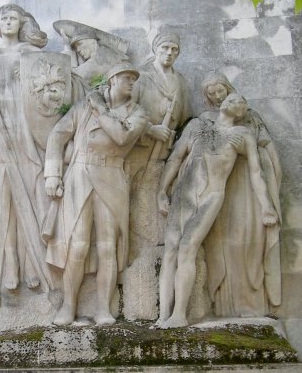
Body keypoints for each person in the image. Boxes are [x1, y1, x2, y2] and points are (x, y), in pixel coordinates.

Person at [155, 94, 278, 329]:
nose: (231, 100)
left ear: (242, 111)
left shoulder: (243, 135)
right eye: (230, 98)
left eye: (239, 100)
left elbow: (256, 173)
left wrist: (266, 206)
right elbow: (176, 158)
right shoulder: (196, 126)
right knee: (170, 249)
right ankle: (163, 315)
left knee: (187, 247)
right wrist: (162, 191)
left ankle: (179, 314)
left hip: (211, 196)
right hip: (183, 194)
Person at [44, 62, 150, 325]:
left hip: (112, 176)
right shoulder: (83, 107)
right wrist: (53, 174)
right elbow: (57, 135)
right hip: (80, 174)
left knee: (107, 247)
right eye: (127, 78)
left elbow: (121, 137)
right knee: (77, 245)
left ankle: (103, 308)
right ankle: (68, 306)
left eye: (133, 80)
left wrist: (101, 110)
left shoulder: (137, 113)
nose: (131, 83)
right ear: (112, 79)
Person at [0, 4, 53, 291]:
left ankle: (34, 265)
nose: (8, 22)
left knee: (32, 198)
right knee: (3, 202)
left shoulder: (34, 56)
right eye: (3, 17)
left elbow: (52, 98)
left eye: (13, 18)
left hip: (29, 137)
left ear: (21, 23)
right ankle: (10, 267)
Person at [199, 72, 282, 317]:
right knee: (224, 243)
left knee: (249, 240)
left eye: (220, 90)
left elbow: (267, 147)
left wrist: (274, 180)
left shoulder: (250, 116)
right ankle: (226, 306)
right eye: (211, 93)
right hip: (221, 185)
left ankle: (253, 305)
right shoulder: (205, 120)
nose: (216, 96)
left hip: (249, 184)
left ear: (228, 89)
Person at [128, 31, 193, 252]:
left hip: (166, 154)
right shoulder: (141, 76)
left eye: (174, 50)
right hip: (139, 149)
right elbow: (124, 112)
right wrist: (150, 129)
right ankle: (136, 250)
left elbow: (186, 120)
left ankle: (158, 246)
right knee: (136, 198)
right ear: (156, 48)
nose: (169, 53)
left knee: (158, 200)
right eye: (165, 47)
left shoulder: (181, 82)